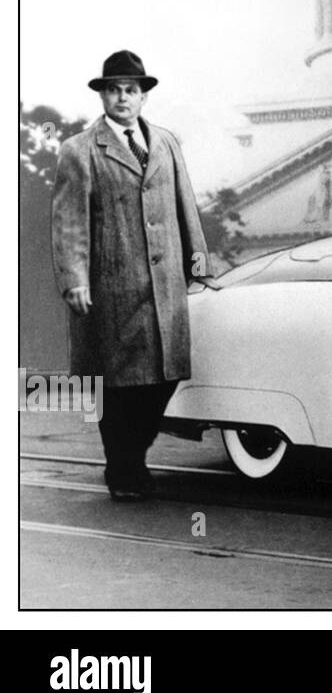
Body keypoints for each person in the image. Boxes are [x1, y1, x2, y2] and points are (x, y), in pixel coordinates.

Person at [50, 51, 208, 501]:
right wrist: (74, 279)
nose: (123, 97)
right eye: (115, 89)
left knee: (165, 374)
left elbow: (185, 202)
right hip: (112, 285)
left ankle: (127, 458)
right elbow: (70, 223)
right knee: (118, 382)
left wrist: (198, 256)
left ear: (143, 96)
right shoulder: (80, 151)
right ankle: (124, 469)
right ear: (103, 95)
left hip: (165, 286)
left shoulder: (165, 142)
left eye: (132, 90)